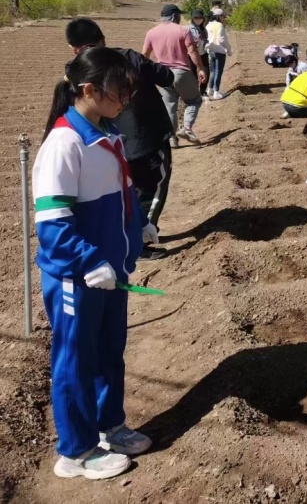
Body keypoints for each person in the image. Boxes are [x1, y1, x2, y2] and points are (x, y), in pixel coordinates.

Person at [34, 47, 154, 480]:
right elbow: (52, 224)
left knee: (109, 353)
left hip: (111, 274)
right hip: (78, 277)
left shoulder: (106, 134)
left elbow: (122, 194)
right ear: (88, 90)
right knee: (76, 361)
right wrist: (88, 262)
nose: (125, 99)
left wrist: (138, 225)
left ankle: (110, 425)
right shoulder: (64, 144)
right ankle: (75, 451)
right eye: (119, 91)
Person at [65, 19, 174, 254]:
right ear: (102, 39)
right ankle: (140, 242)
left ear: (74, 48)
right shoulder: (128, 57)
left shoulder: (73, 70)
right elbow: (166, 76)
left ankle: (124, 237)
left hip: (107, 144)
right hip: (144, 139)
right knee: (153, 187)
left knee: (122, 191)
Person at [142, 4, 207, 146]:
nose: (179, 18)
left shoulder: (151, 33)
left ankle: (172, 139)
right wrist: (200, 68)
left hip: (162, 74)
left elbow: (145, 56)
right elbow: (193, 52)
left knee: (169, 107)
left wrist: (148, 74)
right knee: (194, 100)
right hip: (181, 72)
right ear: (174, 16)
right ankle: (187, 128)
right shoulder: (183, 31)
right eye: (178, 15)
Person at [205, 6, 233, 100]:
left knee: (212, 71)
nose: (224, 19)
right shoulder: (219, 25)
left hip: (211, 50)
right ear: (219, 16)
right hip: (219, 51)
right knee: (218, 71)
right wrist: (229, 50)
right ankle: (216, 92)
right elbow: (222, 40)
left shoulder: (208, 25)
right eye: (223, 17)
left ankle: (210, 89)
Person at [188, 9, 209, 98]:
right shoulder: (188, 29)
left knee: (206, 72)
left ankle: (203, 91)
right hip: (192, 54)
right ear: (193, 19)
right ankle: (194, 93)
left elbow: (205, 40)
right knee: (193, 74)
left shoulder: (204, 29)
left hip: (203, 53)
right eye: (196, 17)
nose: (198, 19)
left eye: (200, 17)